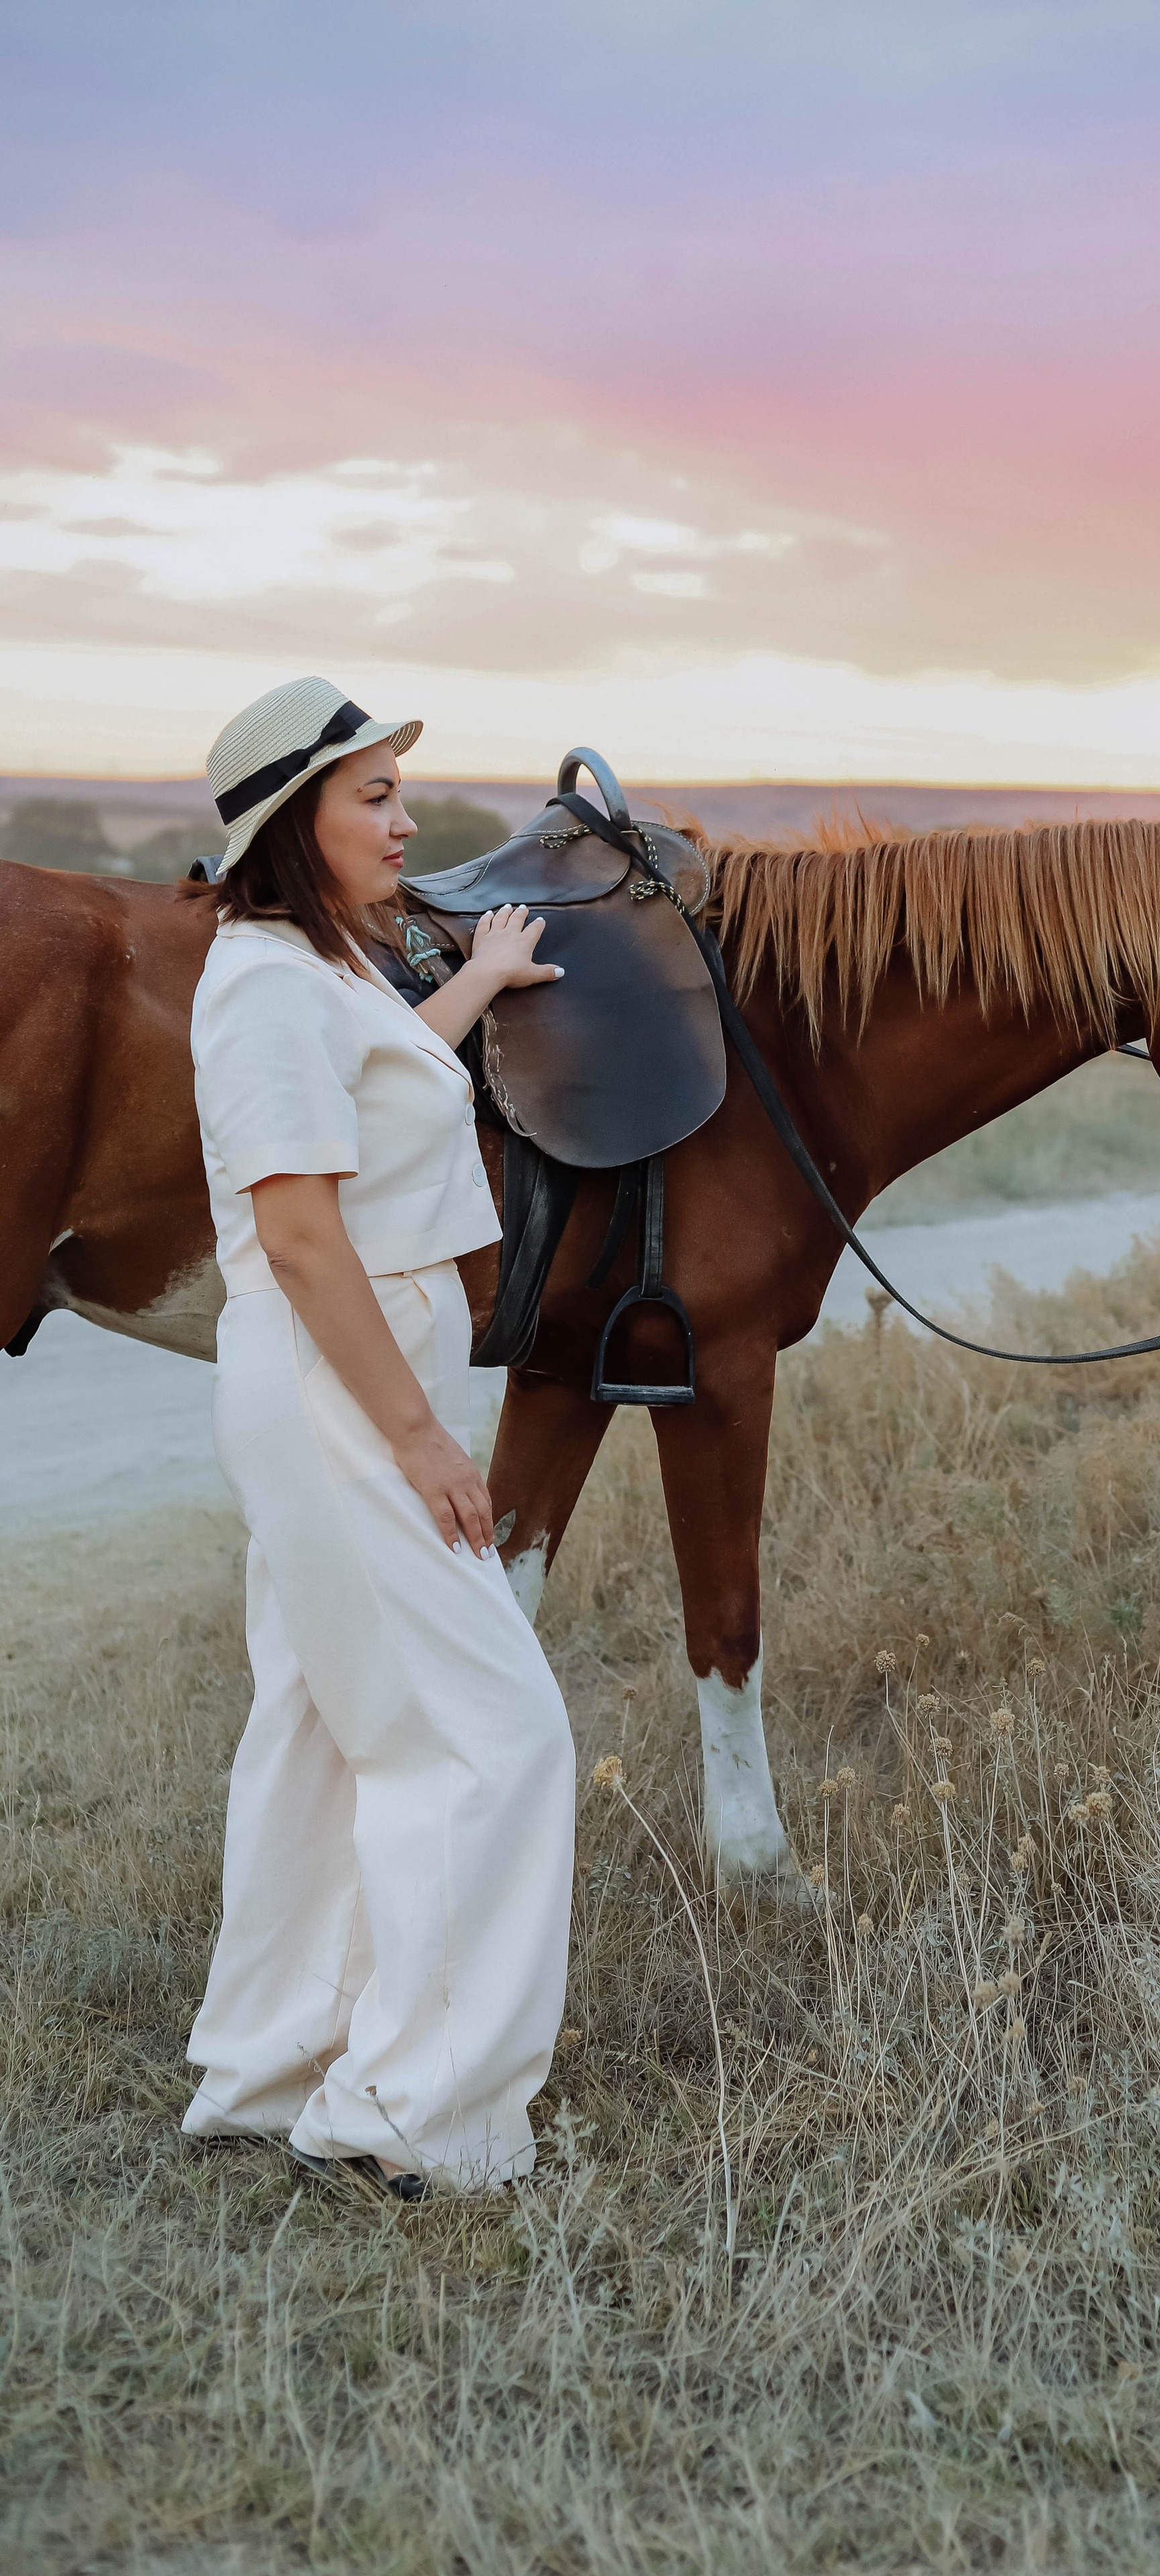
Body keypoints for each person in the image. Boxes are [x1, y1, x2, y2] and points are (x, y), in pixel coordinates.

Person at [178, 675, 578, 2199]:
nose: (407, 816)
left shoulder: (306, 972)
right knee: (488, 1734)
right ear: (297, 822)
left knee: (323, 1722)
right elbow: (295, 1231)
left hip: (346, 1372)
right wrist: (423, 1440)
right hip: (340, 1385)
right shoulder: (268, 983)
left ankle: (270, 2066)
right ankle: (417, 2114)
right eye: (373, 795)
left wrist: (473, 986)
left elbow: (367, 1079)